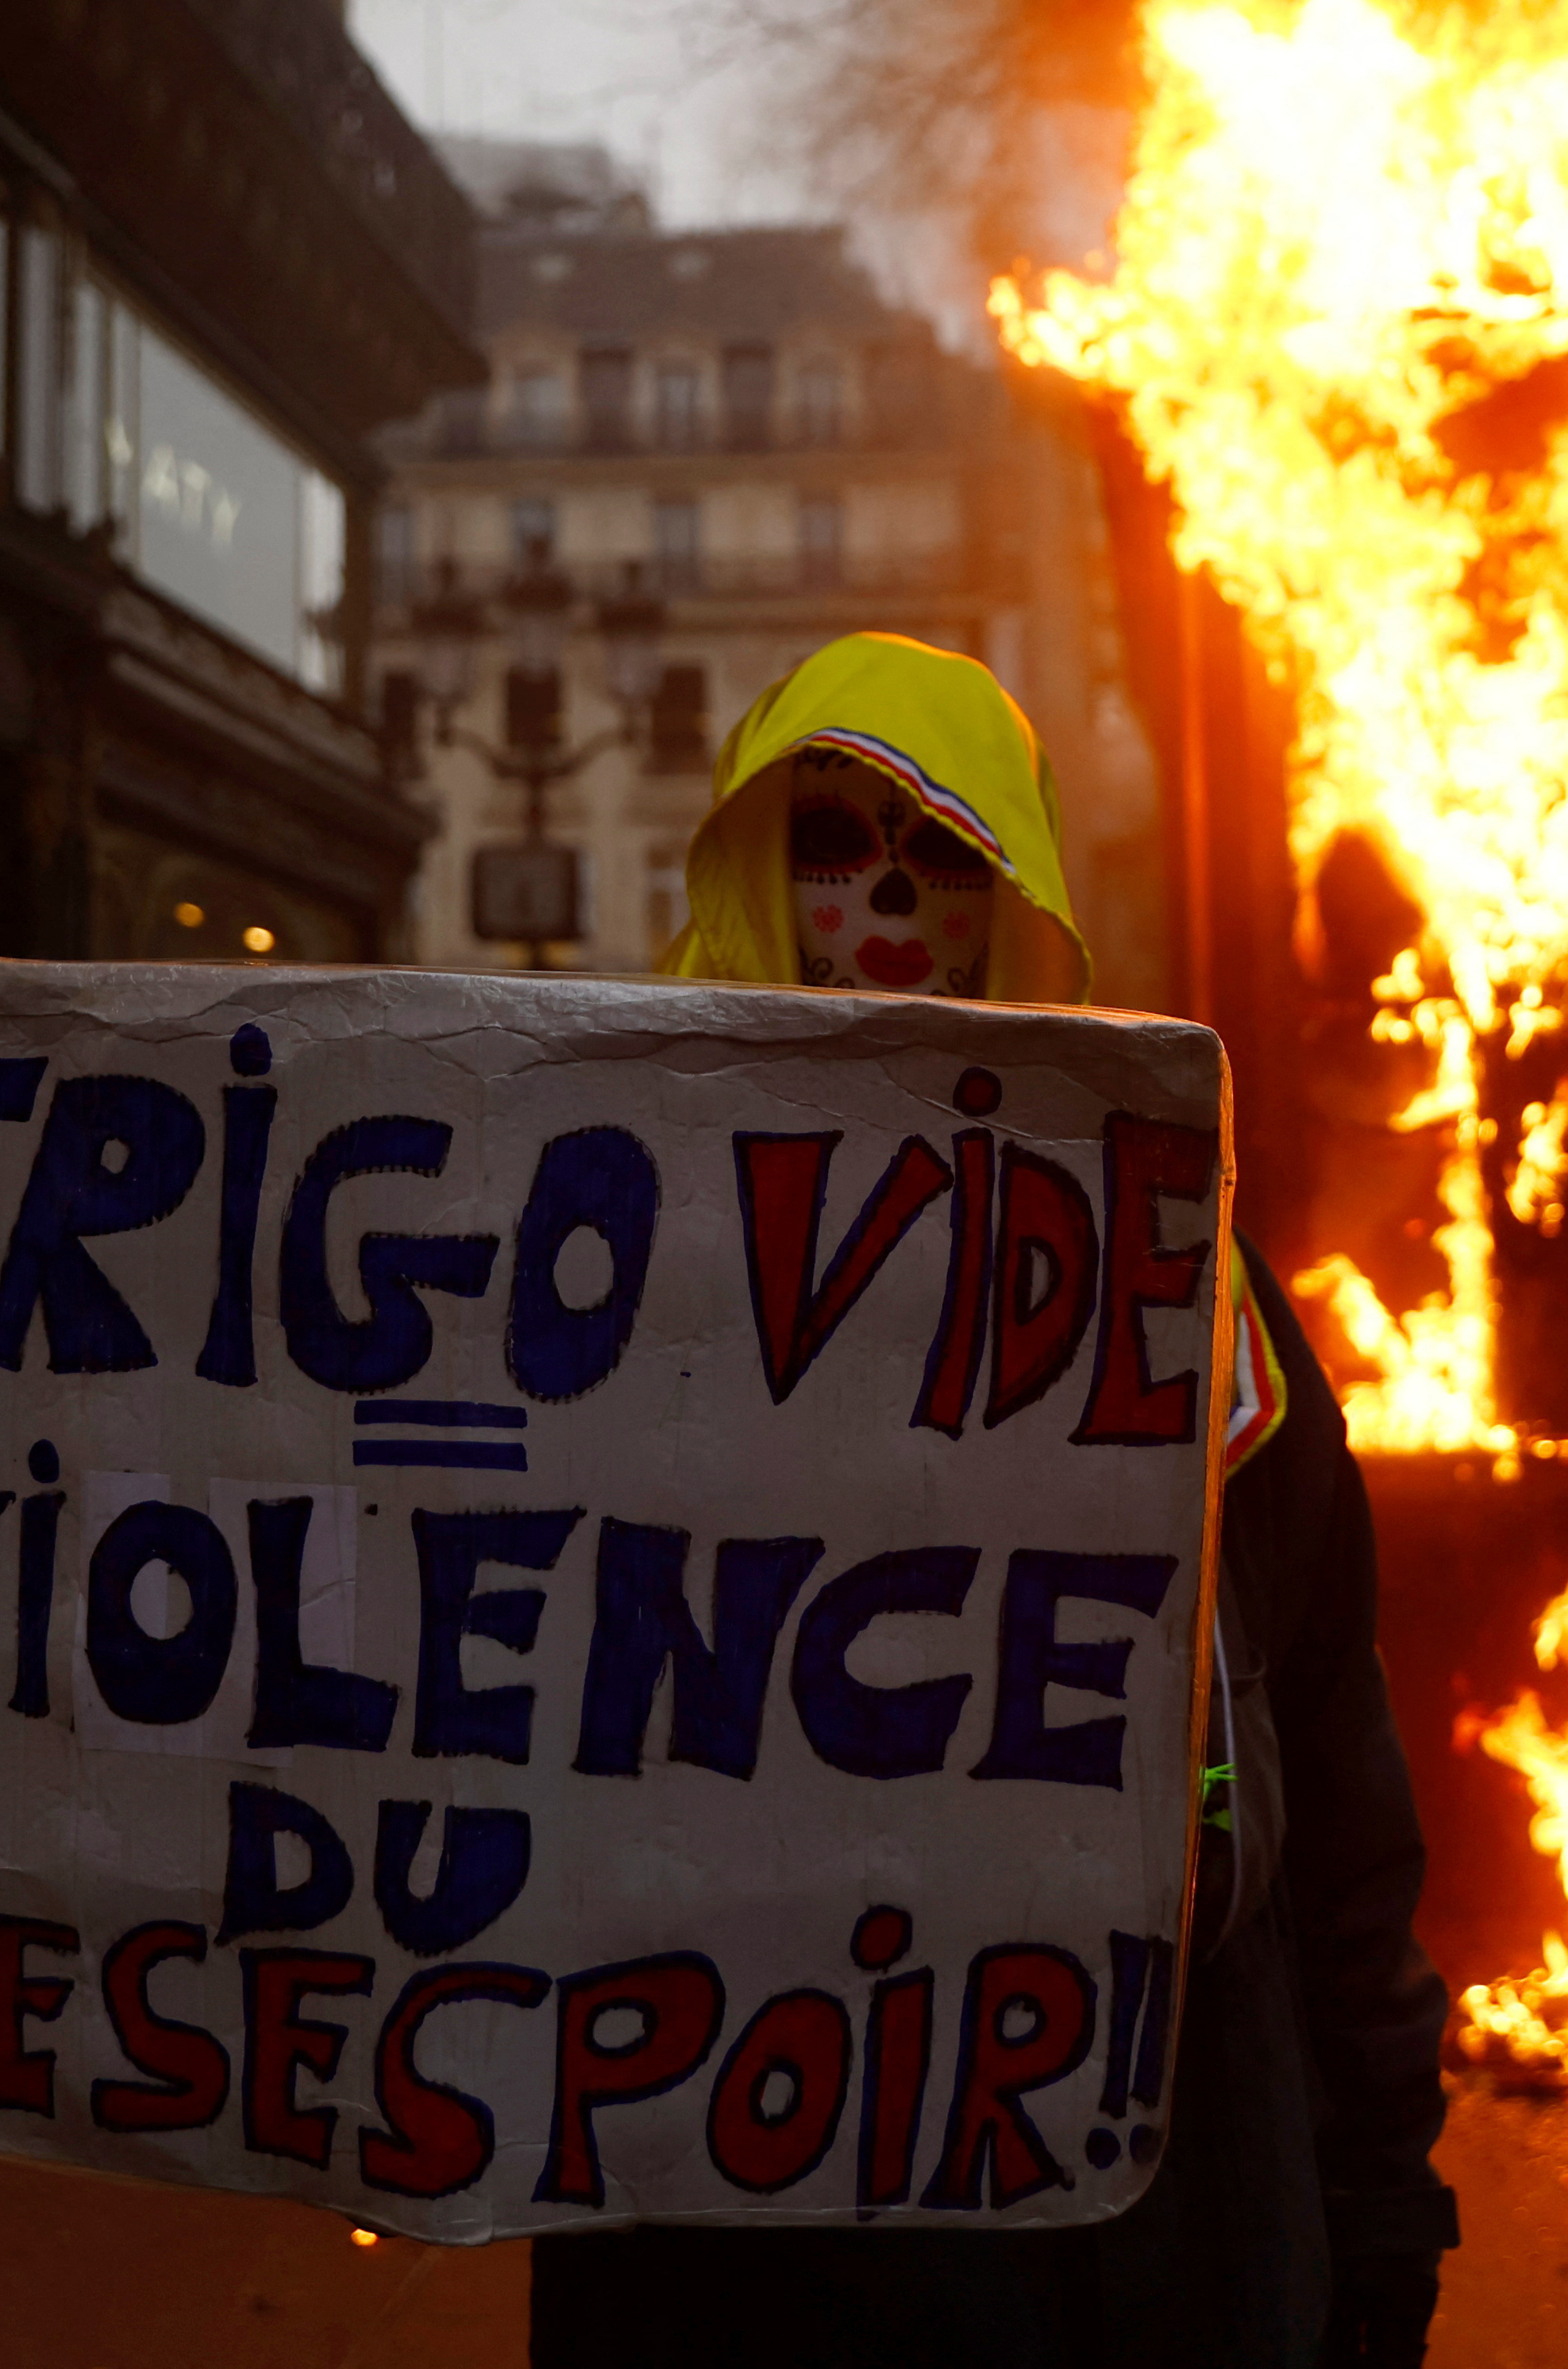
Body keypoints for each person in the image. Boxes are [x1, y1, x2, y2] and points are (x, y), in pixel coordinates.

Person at [531, 634, 1458, 2367]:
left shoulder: (1173, 1269)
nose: (882, 894)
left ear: (1006, 896)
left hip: (1134, 2220)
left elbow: (1324, 1743)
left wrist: (1380, 2189)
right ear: (758, 874)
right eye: (832, 843)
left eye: (938, 851)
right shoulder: (613, 1266)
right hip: (728, 2220)